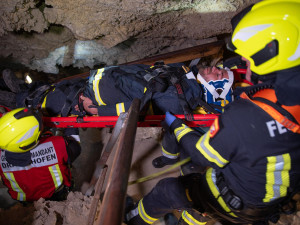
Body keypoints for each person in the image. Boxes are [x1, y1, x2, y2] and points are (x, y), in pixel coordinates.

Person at [125, 1, 300, 225]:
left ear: (271, 53)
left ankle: (132, 219)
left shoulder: (245, 118)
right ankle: (188, 219)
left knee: (169, 189)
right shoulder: (278, 99)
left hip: (239, 200)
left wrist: (175, 124)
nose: (243, 61)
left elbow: (202, 155)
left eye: (247, 56)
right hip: (271, 192)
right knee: (196, 196)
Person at [0, 107, 81, 202]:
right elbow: (76, 148)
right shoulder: (57, 145)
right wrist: (71, 122)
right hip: (57, 195)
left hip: (25, 200)